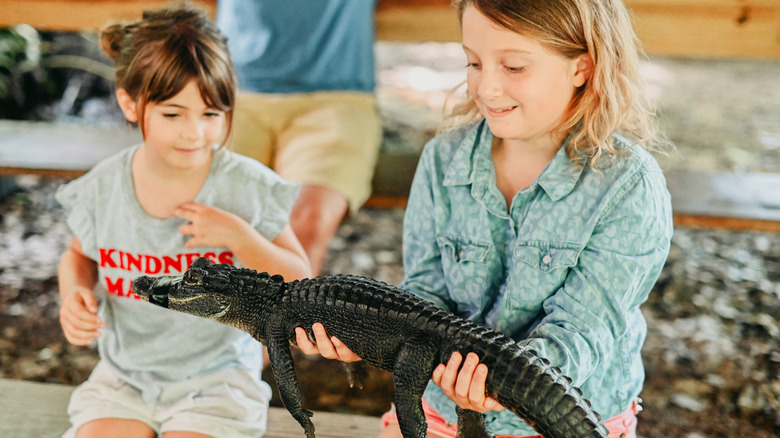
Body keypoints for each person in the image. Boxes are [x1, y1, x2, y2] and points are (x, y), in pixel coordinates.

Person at [297, 0, 675, 437]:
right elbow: (425, 295)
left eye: (513, 67)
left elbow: (584, 328)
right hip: (440, 413)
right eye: (473, 62)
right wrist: (369, 334)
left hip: (564, 421)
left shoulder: (628, 184)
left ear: (581, 67)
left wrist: (499, 383)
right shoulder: (443, 160)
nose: (487, 87)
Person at [55, 4, 311, 438]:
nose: (195, 133)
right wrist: (74, 294)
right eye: (173, 114)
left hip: (218, 380)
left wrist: (240, 236)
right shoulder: (104, 187)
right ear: (131, 104)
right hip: (124, 378)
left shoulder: (245, 187)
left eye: (211, 114)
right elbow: (79, 256)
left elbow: (300, 279)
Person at [215, 0, 383, 275]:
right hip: (232, 90)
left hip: (336, 95)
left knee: (306, 224)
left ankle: (289, 316)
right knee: (205, 219)